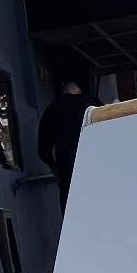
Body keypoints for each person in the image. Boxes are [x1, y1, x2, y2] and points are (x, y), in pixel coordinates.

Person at [37, 75, 90, 212]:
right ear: (78, 91)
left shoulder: (52, 109)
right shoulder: (91, 103)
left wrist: (53, 166)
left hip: (67, 170)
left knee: (71, 215)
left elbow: (43, 148)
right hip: (94, 166)